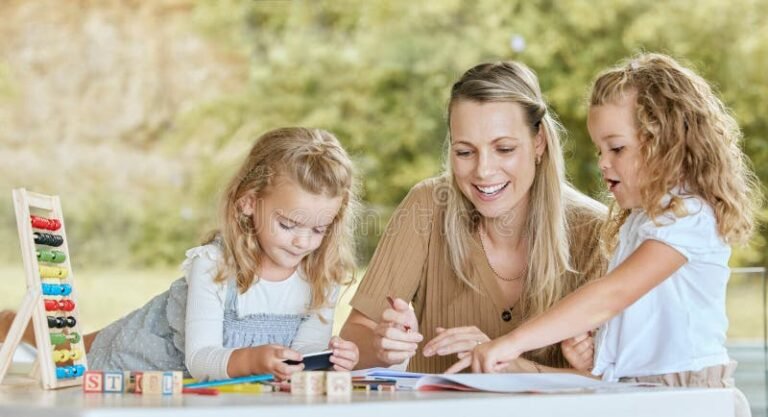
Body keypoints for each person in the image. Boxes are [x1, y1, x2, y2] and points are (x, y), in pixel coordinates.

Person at [456, 53, 758, 416]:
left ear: (667, 142)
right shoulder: (639, 222)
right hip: (641, 396)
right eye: (600, 149)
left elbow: (610, 295)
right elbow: (636, 349)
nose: (602, 162)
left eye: (616, 148)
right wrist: (599, 355)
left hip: (687, 399)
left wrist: (512, 342)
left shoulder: (689, 216)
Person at [2, 127, 361, 381]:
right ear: (249, 202)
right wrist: (254, 359)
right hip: (146, 356)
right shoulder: (214, 265)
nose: (302, 242)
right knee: (70, 351)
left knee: (68, 345)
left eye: (318, 229)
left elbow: (303, 354)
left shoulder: (321, 277)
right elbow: (202, 359)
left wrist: (329, 361)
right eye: (288, 225)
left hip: (219, 390)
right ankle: (7, 323)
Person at [340, 61, 608, 373]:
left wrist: (505, 363)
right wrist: (381, 345)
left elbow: (613, 381)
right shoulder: (426, 208)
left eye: (504, 149)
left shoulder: (596, 231)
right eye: (465, 152)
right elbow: (352, 338)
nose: (483, 171)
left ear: (539, 143)